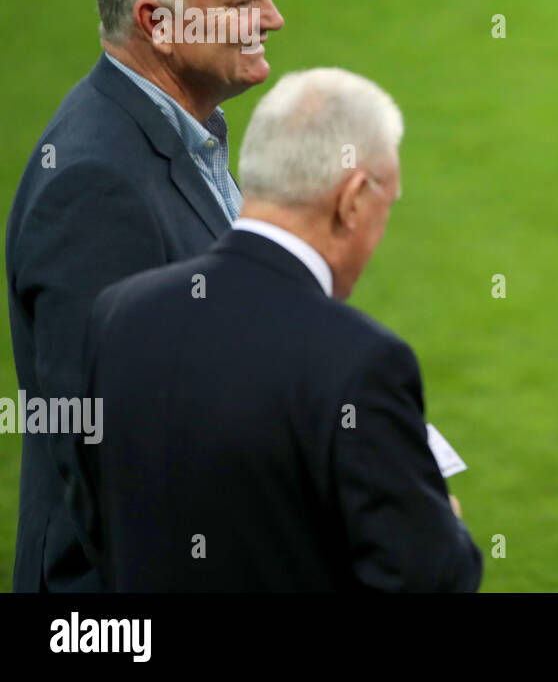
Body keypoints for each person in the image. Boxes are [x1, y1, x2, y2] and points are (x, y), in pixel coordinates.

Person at [75, 68, 482, 592]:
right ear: (353, 199)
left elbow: (96, 520)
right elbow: (428, 577)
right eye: (387, 204)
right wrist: (441, 519)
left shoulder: (118, 314)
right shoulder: (359, 361)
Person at [6, 0, 283, 591]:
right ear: (159, 23)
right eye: (246, 1)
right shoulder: (95, 186)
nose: (272, 20)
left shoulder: (189, 132)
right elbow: (100, 447)